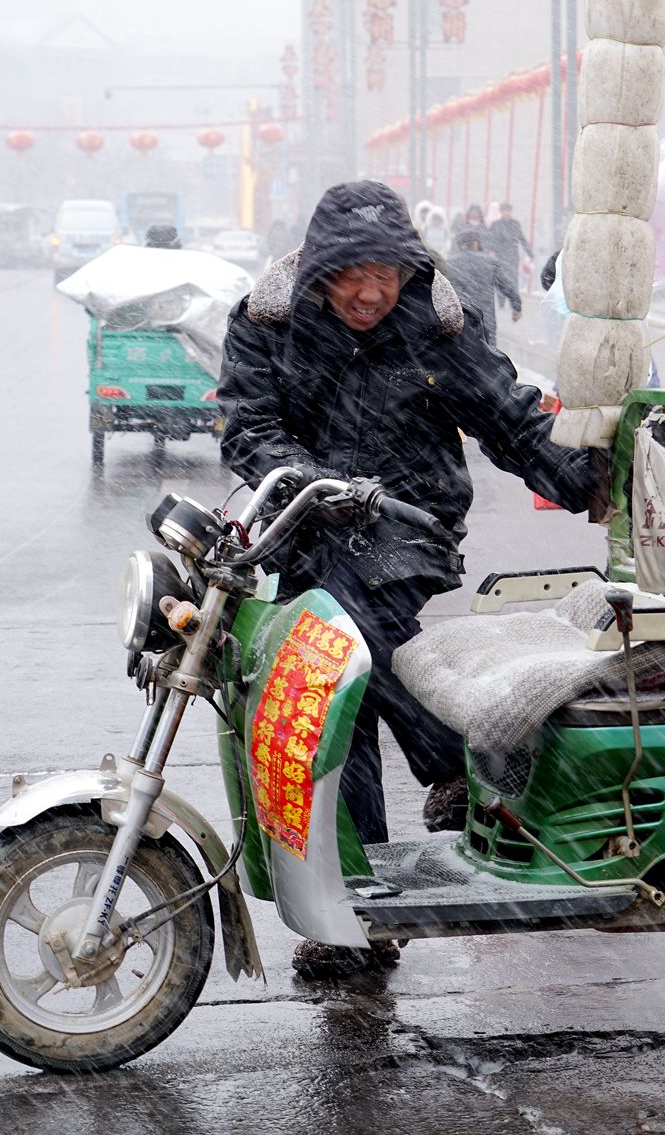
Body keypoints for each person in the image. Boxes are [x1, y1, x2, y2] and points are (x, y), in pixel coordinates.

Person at [217, 181, 599, 977]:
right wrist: (305, 480)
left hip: (408, 525)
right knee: (334, 713)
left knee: (348, 640)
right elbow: (250, 426)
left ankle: (463, 768)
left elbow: (507, 415)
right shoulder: (267, 324)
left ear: (408, 268)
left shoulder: (434, 322)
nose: (369, 291)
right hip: (305, 530)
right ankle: (353, 908)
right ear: (319, 269)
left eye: (385, 272)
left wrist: (587, 477)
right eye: (351, 273)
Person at [445, 226, 521, 346]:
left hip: (460, 316)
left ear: (459, 245)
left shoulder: (449, 264)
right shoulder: (490, 263)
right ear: (477, 244)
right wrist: (517, 306)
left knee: (461, 352)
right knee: (489, 352)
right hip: (486, 317)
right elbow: (506, 285)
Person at [487, 202, 534, 305]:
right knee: (500, 279)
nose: (506, 213)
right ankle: (501, 300)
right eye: (504, 210)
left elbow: (521, 238)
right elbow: (490, 240)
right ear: (501, 212)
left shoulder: (515, 224)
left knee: (513, 280)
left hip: (512, 256)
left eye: (508, 210)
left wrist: (529, 252)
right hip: (500, 257)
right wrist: (490, 251)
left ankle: (513, 301)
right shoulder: (496, 225)